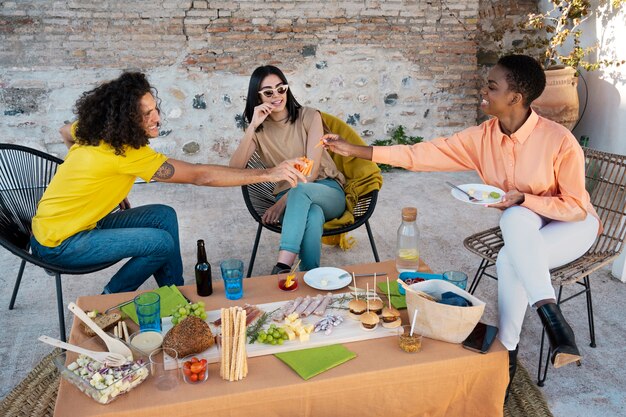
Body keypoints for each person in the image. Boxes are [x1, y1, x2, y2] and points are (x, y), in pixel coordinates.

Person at [321, 55, 600, 397]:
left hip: (572, 225)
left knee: (510, 248)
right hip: (524, 225)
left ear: (515, 98)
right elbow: (419, 155)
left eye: (492, 86)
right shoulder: (481, 137)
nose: (483, 90)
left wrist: (524, 199)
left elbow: (574, 206)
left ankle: (508, 358)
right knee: (512, 232)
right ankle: (551, 328)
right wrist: (353, 150)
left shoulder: (558, 141)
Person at [30, 72, 306, 294]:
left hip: (69, 225)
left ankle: (175, 292)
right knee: (159, 242)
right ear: (124, 119)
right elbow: (200, 175)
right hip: (59, 243)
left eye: (155, 109)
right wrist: (270, 173)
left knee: (164, 215)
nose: (157, 118)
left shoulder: (95, 129)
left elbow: (65, 131)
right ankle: (108, 300)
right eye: (145, 114)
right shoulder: (126, 153)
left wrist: (95, 183)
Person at [229, 65, 346, 274]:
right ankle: (310, 275)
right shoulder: (259, 131)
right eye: (268, 92)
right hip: (292, 202)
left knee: (301, 192)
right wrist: (252, 127)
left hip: (326, 190)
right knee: (313, 214)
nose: (277, 95)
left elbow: (311, 171)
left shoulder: (309, 117)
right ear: (257, 98)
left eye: (281, 88)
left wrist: (283, 202)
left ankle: (282, 266)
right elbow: (234, 170)